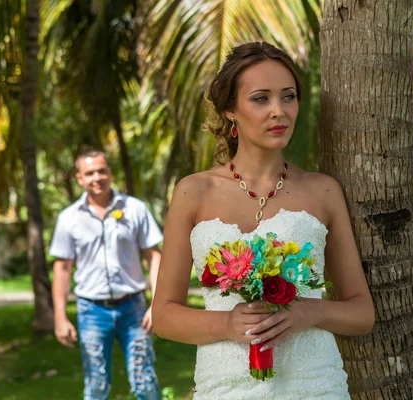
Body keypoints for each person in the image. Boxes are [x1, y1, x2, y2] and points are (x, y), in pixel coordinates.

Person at [152, 42, 375, 399]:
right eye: (261, 99)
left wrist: (308, 312)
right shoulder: (193, 192)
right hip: (223, 388)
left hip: (314, 388)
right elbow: (163, 316)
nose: (279, 111)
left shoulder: (323, 191)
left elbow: (362, 313)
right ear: (230, 110)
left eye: (288, 97)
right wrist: (227, 323)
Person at [50, 149, 163, 400]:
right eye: (89, 173)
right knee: (96, 385)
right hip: (91, 310)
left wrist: (156, 304)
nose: (97, 177)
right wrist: (60, 317)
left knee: (144, 380)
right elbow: (62, 268)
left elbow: (154, 255)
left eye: (102, 171)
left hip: (133, 308)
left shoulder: (135, 209)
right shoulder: (68, 218)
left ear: (110, 173)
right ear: (79, 178)